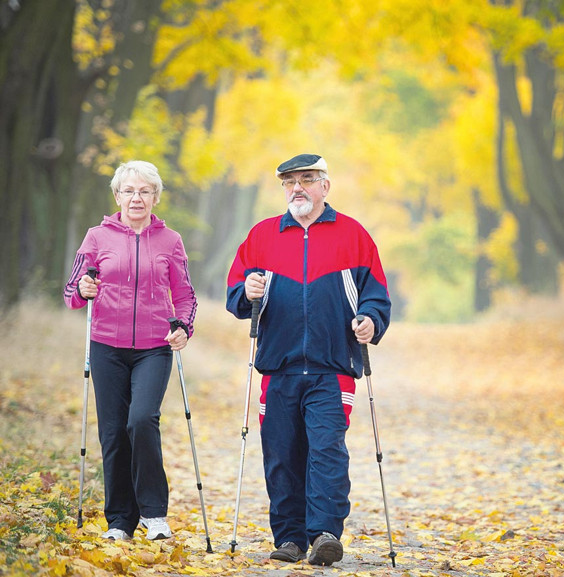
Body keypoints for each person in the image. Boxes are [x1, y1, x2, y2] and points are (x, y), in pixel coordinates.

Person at [226, 153, 391, 566]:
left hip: (332, 367)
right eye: (289, 182)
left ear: (324, 186)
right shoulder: (262, 236)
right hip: (277, 367)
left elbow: (376, 294)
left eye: (306, 179)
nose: (296, 188)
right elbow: (236, 293)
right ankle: (290, 539)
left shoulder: (353, 235)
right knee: (281, 454)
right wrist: (247, 291)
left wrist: (370, 320)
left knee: (326, 450)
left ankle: (324, 534)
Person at [64, 160, 197, 542]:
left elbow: (186, 295)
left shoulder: (170, 240)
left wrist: (183, 327)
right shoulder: (96, 237)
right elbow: (73, 293)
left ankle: (154, 514)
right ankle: (120, 520)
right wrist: (83, 291)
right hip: (106, 345)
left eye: (144, 191)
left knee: (141, 420)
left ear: (155, 197)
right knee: (112, 433)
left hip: (155, 347)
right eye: (129, 191)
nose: (136, 198)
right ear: (117, 196)